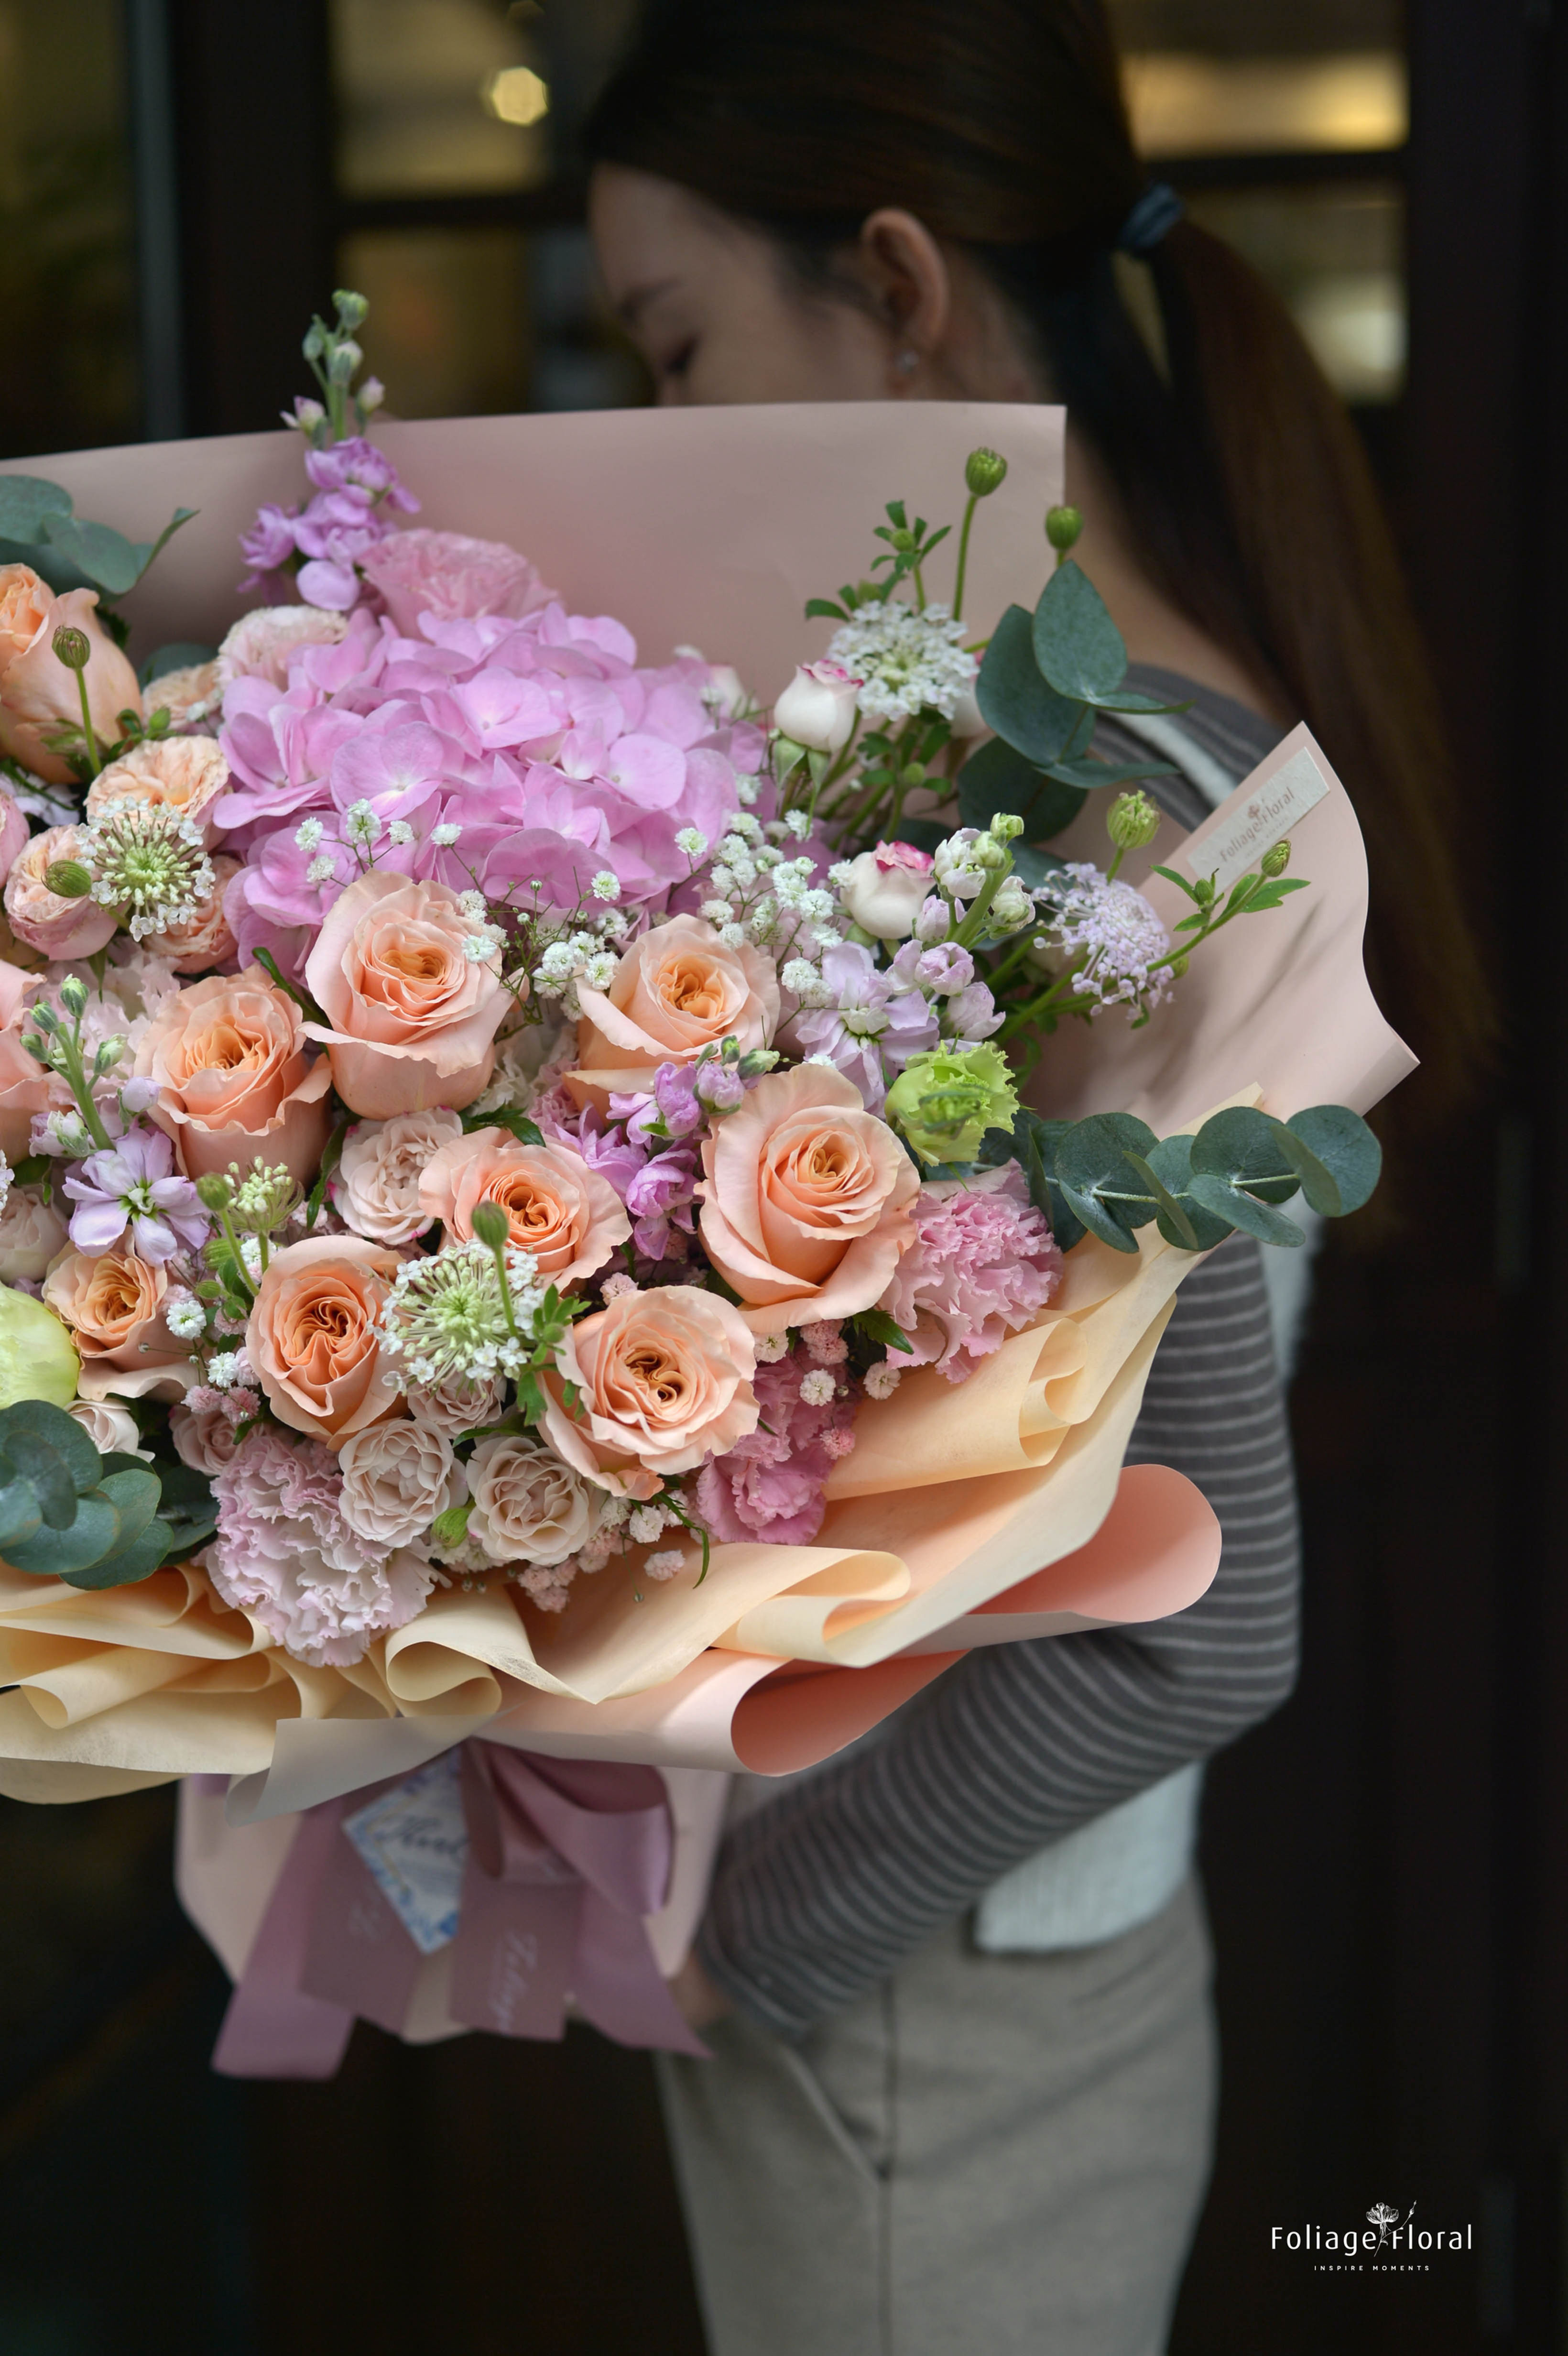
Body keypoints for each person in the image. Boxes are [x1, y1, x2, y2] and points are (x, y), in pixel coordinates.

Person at [582, 7, 1488, 2352]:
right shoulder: (1139, 711)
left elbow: (1201, 1612)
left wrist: (747, 1924)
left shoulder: (1110, 823)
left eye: (675, 353)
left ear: (893, 282)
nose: (662, 442)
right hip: (993, 1961)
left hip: (921, 2000)